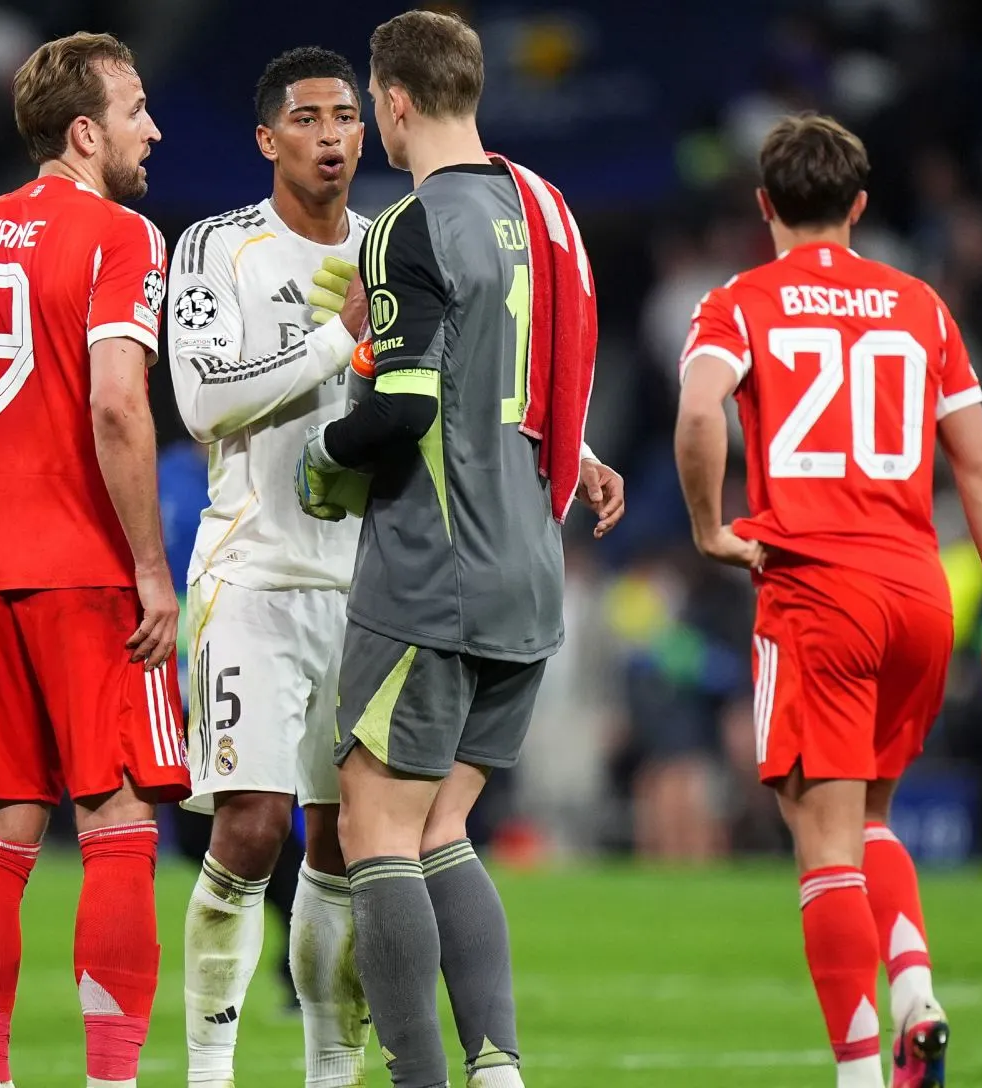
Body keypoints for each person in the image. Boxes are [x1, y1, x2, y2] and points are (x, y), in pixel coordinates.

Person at [673, 112, 982, 1088]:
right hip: (919, 588)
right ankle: (914, 983)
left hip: (816, 588)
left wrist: (710, 526)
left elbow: (700, 408)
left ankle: (859, 1072)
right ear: (860, 206)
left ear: (764, 206)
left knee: (820, 837)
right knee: (872, 816)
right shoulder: (922, 306)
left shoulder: (739, 301)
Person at [292, 12, 617, 1087]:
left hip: (437, 568)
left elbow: (405, 409)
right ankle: (497, 1067)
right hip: (530, 564)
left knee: (376, 826)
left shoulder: (405, 226)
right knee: (442, 826)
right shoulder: (541, 213)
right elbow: (518, 368)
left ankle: (423, 1081)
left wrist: (321, 454)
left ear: (392, 103)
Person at [0, 31, 186, 1088]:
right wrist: (153, 569)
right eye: (137, 108)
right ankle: (110, 1080)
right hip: (93, 577)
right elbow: (117, 402)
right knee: (116, 822)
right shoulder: (123, 237)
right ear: (83, 131)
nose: (152, 127)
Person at [166, 46, 374, 1088]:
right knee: (252, 826)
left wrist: (584, 457)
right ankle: (209, 1069)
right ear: (267, 138)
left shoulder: (390, 250)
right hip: (251, 573)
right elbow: (203, 401)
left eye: (347, 116)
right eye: (309, 118)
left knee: (343, 843)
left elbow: (470, 383)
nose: (333, 134)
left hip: (367, 586)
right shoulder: (217, 248)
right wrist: (338, 344)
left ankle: (329, 1076)